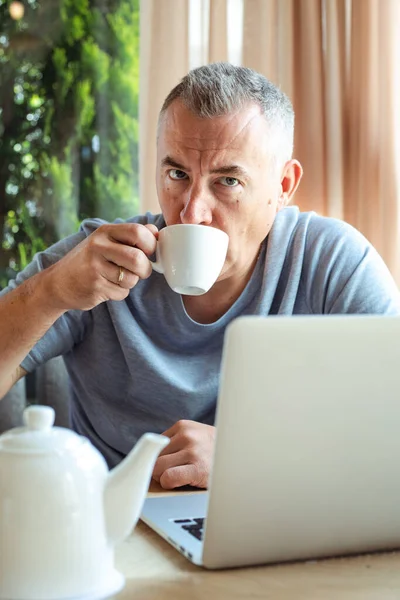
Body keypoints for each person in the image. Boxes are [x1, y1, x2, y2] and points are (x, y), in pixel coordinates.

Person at [0, 63, 399, 489]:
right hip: (117, 531)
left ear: (283, 185)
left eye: (227, 181)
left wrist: (245, 457)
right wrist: (50, 291)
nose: (192, 212)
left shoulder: (332, 262)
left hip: (278, 524)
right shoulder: (98, 258)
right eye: (177, 175)